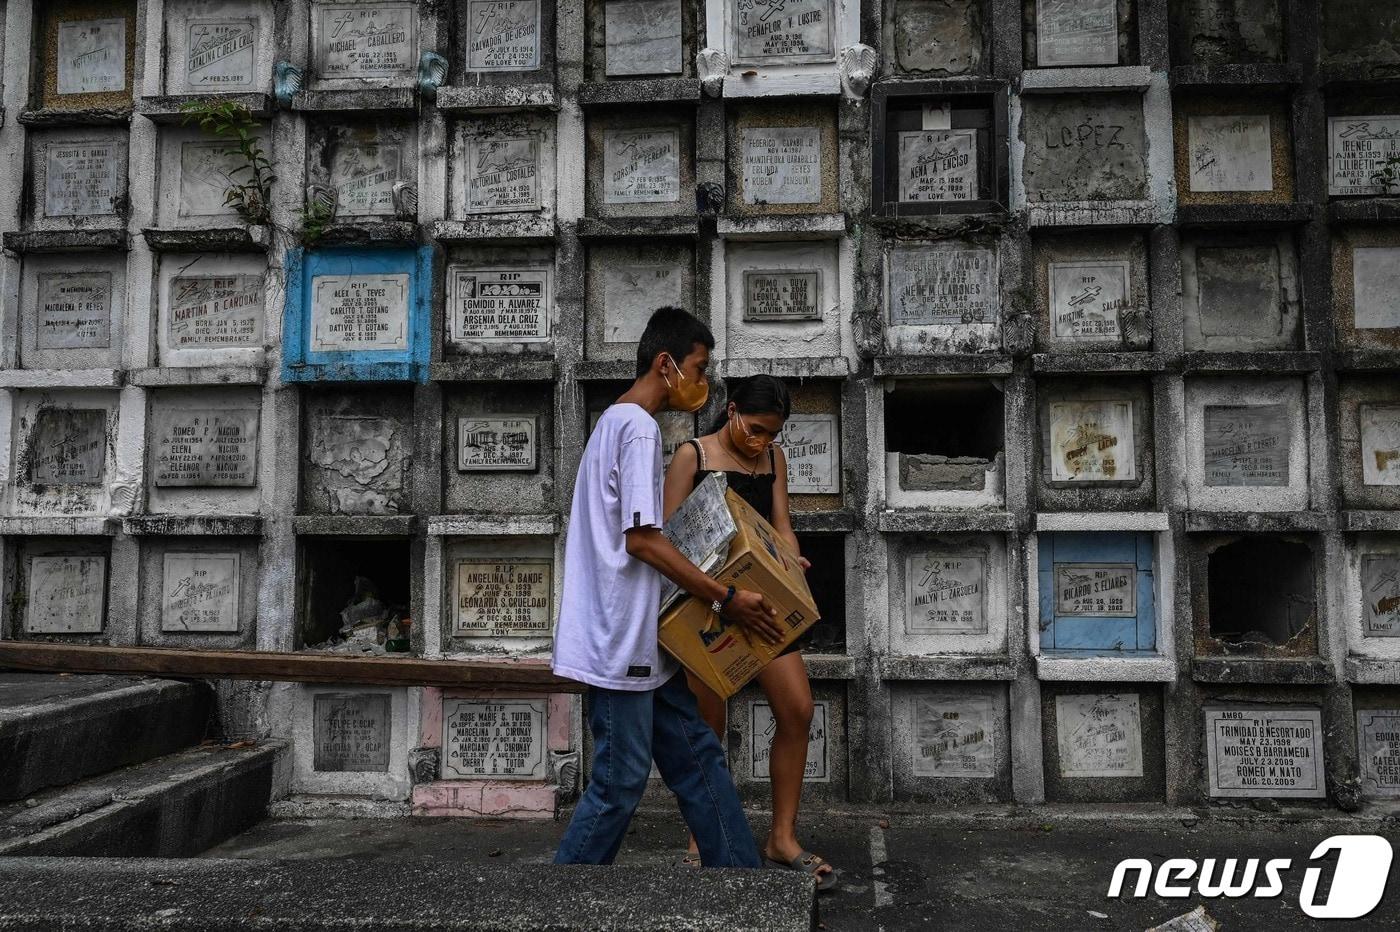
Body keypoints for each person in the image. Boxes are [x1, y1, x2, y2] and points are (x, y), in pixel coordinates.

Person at [552, 307, 785, 868]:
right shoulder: (636, 428)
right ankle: (554, 903)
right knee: (617, 785)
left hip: (642, 644)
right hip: (621, 646)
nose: (705, 385)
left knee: (699, 760)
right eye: (699, 369)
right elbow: (643, 542)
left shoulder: (613, 423)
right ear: (667, 365)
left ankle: (741, 882)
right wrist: (724, 596)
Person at [662, 374, 837, 891]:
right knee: (707, 724)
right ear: (732, 410)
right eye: (756, 429)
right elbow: (673, 538)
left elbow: (779, 523)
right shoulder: (692, 456)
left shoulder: (773, 460)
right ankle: (703, 834)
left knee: (798, 709)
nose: (761, 442)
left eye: (772, 435)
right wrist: (721, 592)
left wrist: (790, 564)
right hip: (710, 606)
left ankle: (782, 837)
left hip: (766, 604)